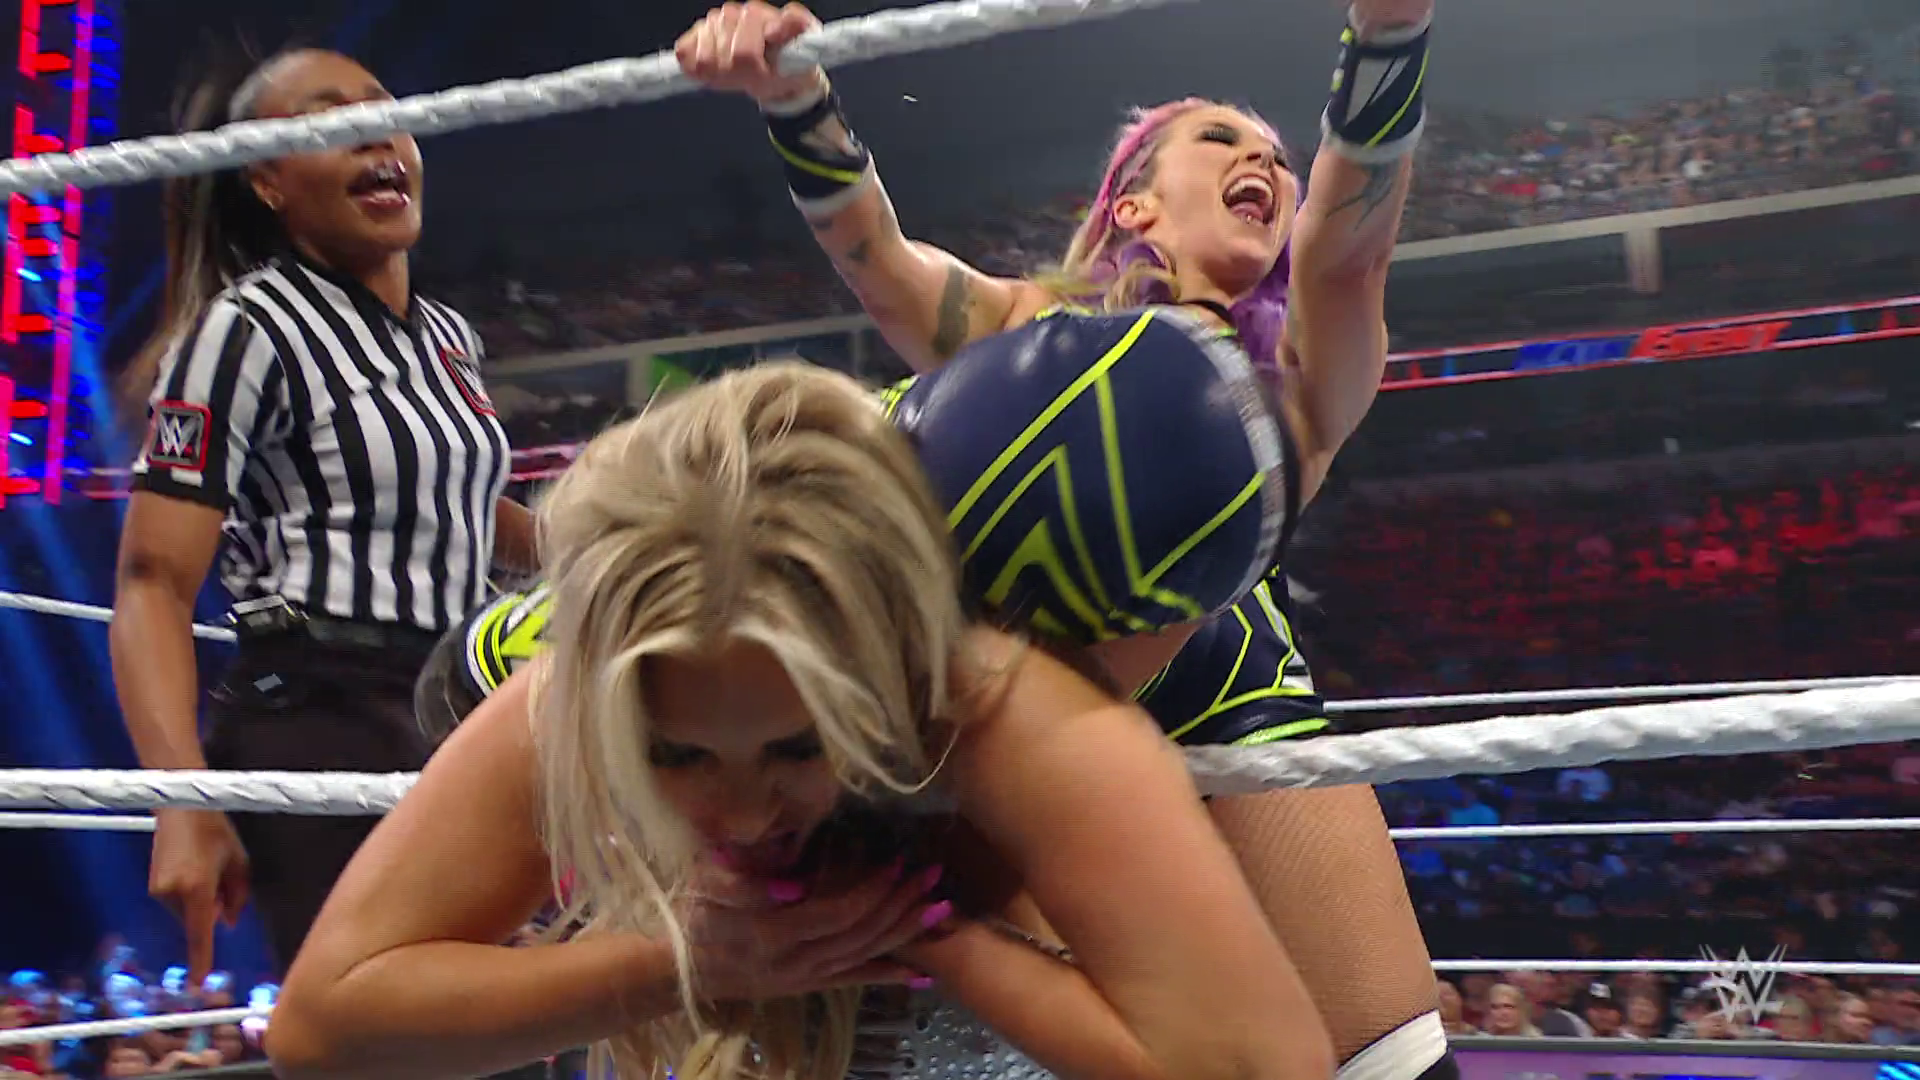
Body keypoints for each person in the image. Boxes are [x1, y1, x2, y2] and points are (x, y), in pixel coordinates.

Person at [678, 3, 1450, 1080]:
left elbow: (1349, 251)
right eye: (1221, 139)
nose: (1266, 164)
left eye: (1280, 158)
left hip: (1226, 683)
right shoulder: (1021, 327)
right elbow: (877, 259)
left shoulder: (1295, 381)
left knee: (1395, 1065)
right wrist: (794, 96)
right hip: (994, 702)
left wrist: (1390, 32)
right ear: (1133, 202)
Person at [269, 361, 1333, 1080]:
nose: (741, 814)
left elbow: (1263, 1070)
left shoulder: (997, 703)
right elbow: (321, 1026)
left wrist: (932, 936)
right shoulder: (579, 675)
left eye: (798, 742)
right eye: (676, 753)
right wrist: (680, 961)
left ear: (895, 678)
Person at [109, 47, 537, 989]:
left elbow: (457, 497)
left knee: (510, 1008)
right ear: (268, 181)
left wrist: (630, 539)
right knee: (401, 1015)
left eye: (383, 109)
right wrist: (180, 799)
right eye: (327, 119)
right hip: (320, 700)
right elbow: (151, 580)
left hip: (460, 697)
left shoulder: (448, 337)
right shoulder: (246, 328)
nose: (372, 132)